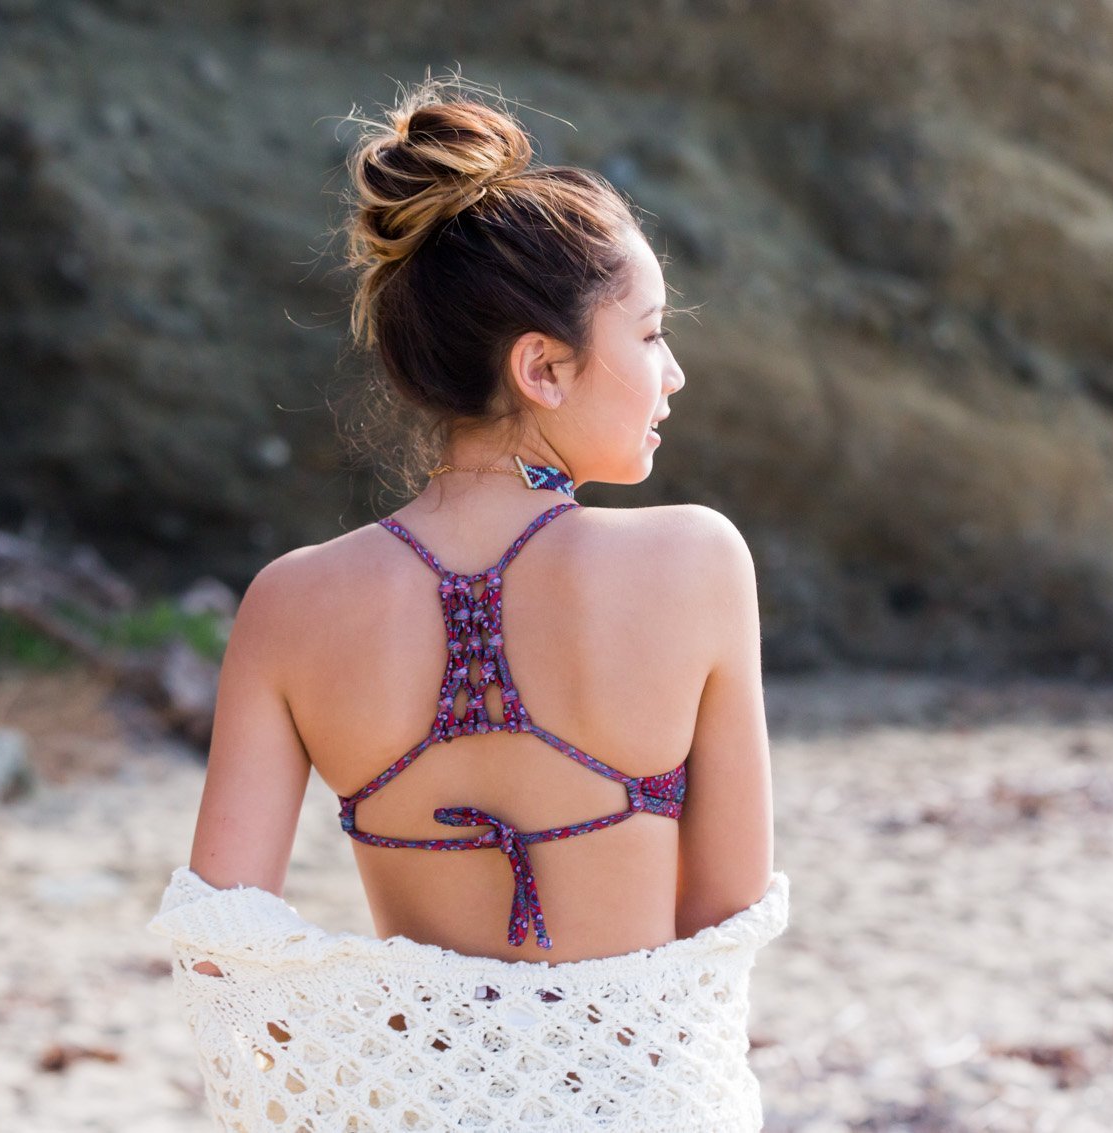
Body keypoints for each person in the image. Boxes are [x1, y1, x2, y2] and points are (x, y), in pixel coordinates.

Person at [148, 71, 789, 1131]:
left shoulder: (291, 602)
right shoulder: (696, 560)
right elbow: (723, 915)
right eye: (647, 333)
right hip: (644, 1097)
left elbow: (223, 938)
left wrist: (384, 1071)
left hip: (422, 1102)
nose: (671, 372)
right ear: (541, 364)